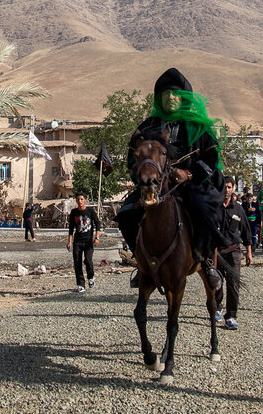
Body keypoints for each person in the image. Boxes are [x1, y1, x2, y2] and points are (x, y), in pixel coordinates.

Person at [115, 68, 226, 291]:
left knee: (205, 211)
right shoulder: (146, 128)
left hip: (191, 186)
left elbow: (211, 159)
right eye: (165, 95)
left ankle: (206, 262)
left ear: (184, 98)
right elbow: (131, 159)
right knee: (126, 214)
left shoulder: (199, 128)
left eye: (175, 95)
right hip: (155, 186)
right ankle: (141, 262)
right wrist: (143, 177)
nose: (170, 99)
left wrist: (190, 173)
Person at [214, 177, 251, 329]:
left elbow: (246, 231)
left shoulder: (238, 208)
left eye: (229, 187)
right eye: (224, 187)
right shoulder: (213, 207)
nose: (226, 190)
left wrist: (248, 252)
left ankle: (231, 316)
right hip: (216, 252)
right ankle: (217, 306)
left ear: (233, 188)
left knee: (233, 284)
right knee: (216, 282)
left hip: (234, 250)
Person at [67, 192, 100, 293]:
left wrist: (97, 238)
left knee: (88, 261)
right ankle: (80, 284)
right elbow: (71, 228)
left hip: (88, 241)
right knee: (77, 262)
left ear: (85, 200)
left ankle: (91, 277)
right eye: (78, 199)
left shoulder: (90, 211)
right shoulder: (74, 212)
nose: (80, 201)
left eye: (81, 199)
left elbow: (98, 224)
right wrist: (69, 242)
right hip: (77, 241)